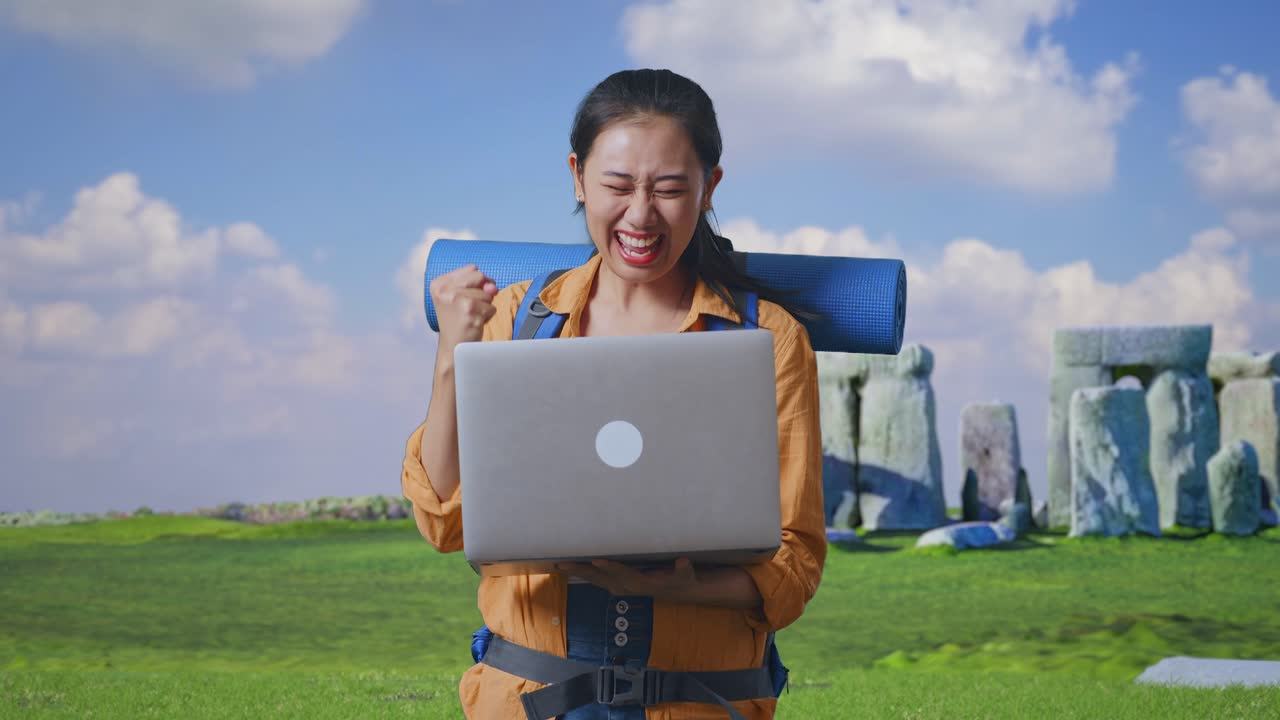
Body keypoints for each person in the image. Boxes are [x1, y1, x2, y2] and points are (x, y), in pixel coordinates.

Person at [402, 68, 827, 719]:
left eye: (669, 189)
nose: (640, 215)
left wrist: (693, 587)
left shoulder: (769, 339)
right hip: (524, 703)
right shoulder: (516, 320)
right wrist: (452, 356)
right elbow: (444, 523)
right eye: (617, 186)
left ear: (710, 188)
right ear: (577, 176)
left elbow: (794, 568)